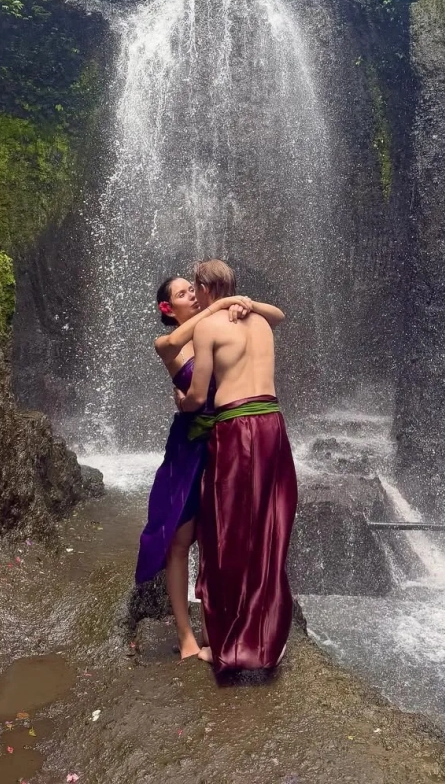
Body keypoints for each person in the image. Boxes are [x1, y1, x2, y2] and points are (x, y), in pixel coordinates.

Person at [135, 275, 284, 659]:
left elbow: (271, 323)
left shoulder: (217, 328)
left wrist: (240, 306)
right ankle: (186, 636)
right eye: (182, 293)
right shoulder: (167, 343)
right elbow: (173, 344)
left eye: (192, 289)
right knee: (180, 539)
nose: (192, 295)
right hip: (188, 449)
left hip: (225, 442)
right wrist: (219, 304)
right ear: (168, 308)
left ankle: (215, 631)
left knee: (217, 537)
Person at [176, 259, 297, 674]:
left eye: (196, 289)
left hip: (236, 427)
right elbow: (278, 314)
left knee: (225, 531)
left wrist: (182, 403)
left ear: (205, 289)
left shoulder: (208, 327)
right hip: (272, 424)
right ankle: (268, 639)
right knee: (267, 529)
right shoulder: (261, 322)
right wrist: (249, 303)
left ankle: (229, 646)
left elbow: (198, 396)